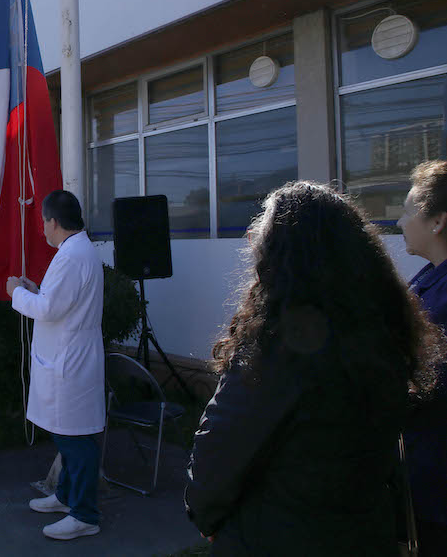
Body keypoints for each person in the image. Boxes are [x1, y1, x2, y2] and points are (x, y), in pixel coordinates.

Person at [184, 181, 447, 555]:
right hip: (365, 534)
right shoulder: (382, 329)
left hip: (277, 538)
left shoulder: (275, 346)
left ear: (282, 257)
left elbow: (218, 452)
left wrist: (207, 517)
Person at [7, 190, 104, 541]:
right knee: (68, 436)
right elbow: (57, 299)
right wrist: (34, 288)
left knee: (75, 439)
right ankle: (66, 497)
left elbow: (49, 309)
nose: (42, 229)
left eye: (43, 222)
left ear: (52, 221)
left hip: (70, 359)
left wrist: (15, 293)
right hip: (69, 354)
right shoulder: (75, 250)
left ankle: (85, 513)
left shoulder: (72, 255)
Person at [398, 160, 447, 555]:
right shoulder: (430, 277)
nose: (400, 221)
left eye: (410, 209)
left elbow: (427, 384)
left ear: (438, 222)